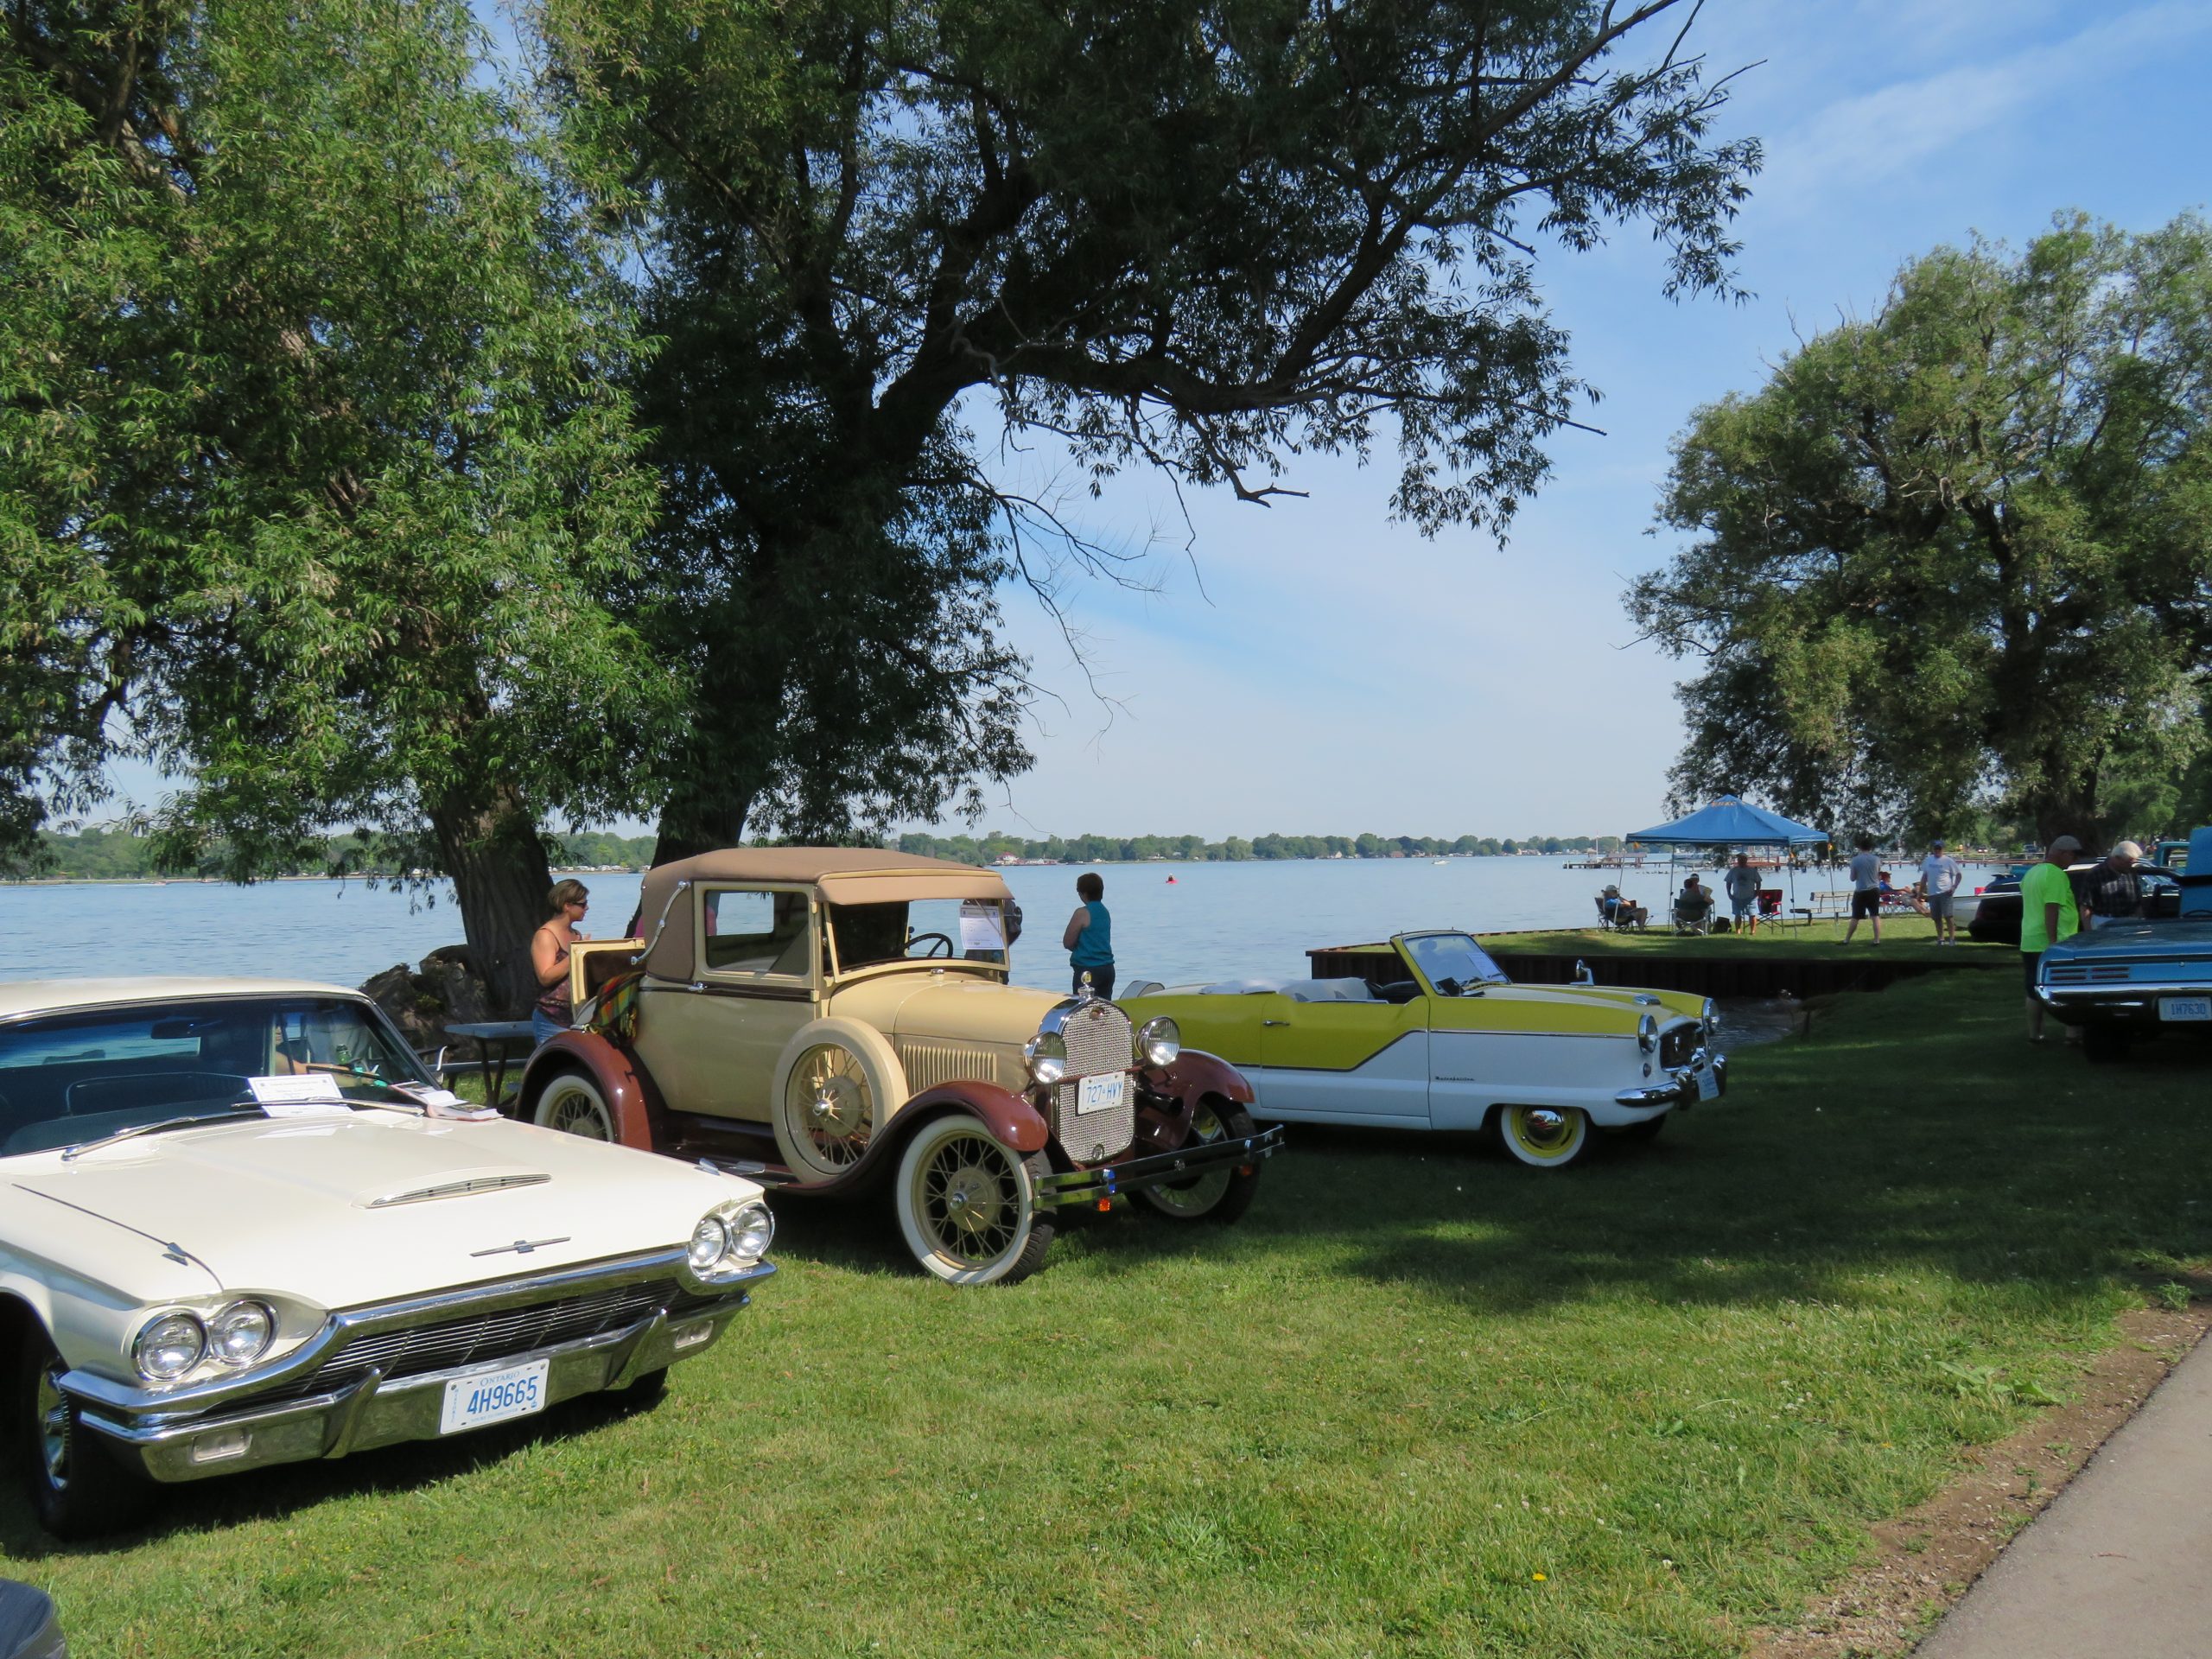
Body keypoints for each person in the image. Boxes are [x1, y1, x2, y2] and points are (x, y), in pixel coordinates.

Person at [2019, 835, 2082, 1042]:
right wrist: (2054, 941)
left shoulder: (2032, 873)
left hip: (2029, 940)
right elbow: (2051, 908)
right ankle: (2072, 1033)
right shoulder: (2055, 874)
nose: (2074, 860)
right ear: (2062, 853)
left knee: (2033, 988)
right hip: (2055, 941)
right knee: (2068, 986)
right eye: (2073, 855)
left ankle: (2035, 1034)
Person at [531, 880, 590, 1045]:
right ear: (567, 906)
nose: (587, 908)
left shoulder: (576, 934)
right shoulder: (546, 935)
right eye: (583, 904)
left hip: (577, 1016)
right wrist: (576, 954)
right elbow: (545, 977)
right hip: (552, 1018)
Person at [1062, 872, 1115, 997]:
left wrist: (1076, 947)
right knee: (1104, 1008)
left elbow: (1067, 942)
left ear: (1084, 893)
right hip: (1107, 968)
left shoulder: (1082, 913)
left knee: (1084, 1011)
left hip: (1088, 970)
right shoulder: (1104, 911)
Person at [2082, 841, 2144, 929]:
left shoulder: (2131, 873)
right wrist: (2088, 932)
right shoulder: (2095, 874)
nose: (2130, 867)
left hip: (2130, 922)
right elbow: (2086, 906)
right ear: (2117, 858)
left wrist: (2140, 924)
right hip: (2103, 922)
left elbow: (2138, 903)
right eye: (2128, 863)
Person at [1918, 838, 1964, 944]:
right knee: (1936, 918)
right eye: (1936, 848)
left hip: (1945, 892)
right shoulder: (1928, 861)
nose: (1937, 850)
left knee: (1948, 916)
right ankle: (1941, 939)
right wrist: (1920, 892)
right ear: (1933, 849)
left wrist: (1954, 887)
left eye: (1939, 848)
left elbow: (1958, 875)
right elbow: (1924, 877)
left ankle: (1952, 939)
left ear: (1943, 849)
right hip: (1932, 893)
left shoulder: (1948, 861)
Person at [1840, 836, 1882, 943]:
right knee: (1875, 916)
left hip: (1861, 891)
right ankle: (1876, 940)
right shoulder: (1877, 859)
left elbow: (1852, 878)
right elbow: (1878, 875)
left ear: (1860, 847)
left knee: (1855, 917)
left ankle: (1847, 940)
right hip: (1874, 890)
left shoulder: (1855, 860)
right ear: (1870, 847)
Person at [1722, 855, 1762, 936]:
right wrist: (1729, 894)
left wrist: (1757, 892)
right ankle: (1738, 930)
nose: (1741, 861)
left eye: (1743, 859)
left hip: (1750, 897)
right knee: (1738, 915)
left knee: (1752, 914)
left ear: (1746, 860)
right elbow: (1728, 882)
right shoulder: (1733, 871)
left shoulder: (1752, 870)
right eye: (1739, 860)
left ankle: (1753, 931)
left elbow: (1758, 881)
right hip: (1737, 897)